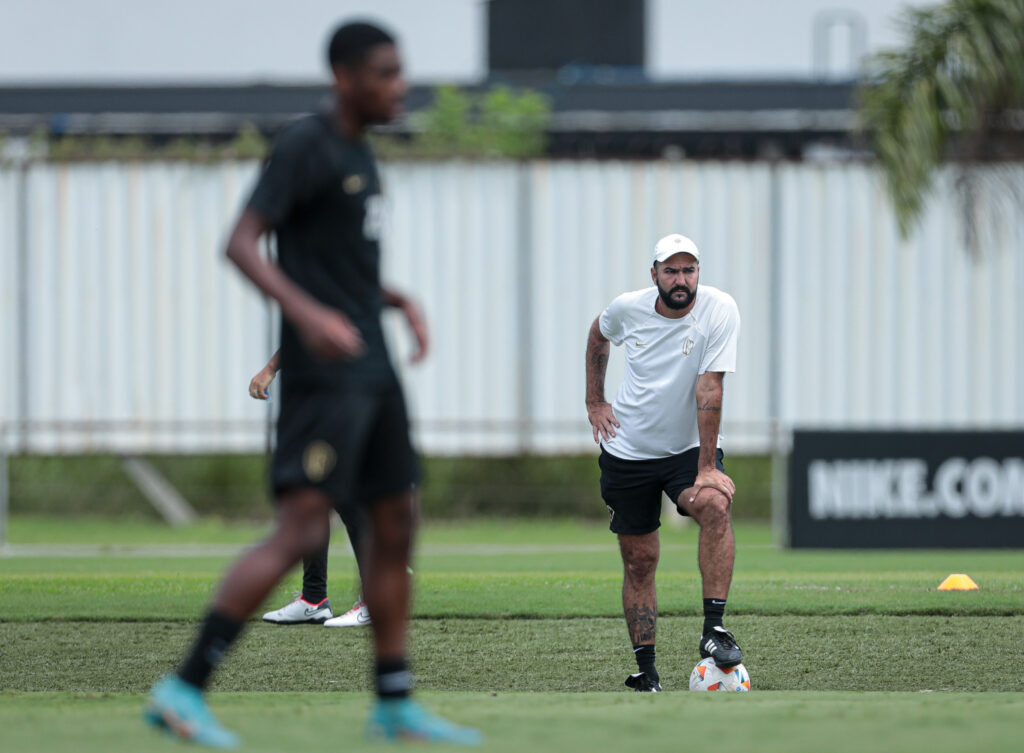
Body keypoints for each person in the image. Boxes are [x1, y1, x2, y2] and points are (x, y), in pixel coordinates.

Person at [143, 21, 481, 747]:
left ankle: (393, 702)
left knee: (395, 524)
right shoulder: (307, 144)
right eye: (386, 73)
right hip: (325, 374)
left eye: (401, 71)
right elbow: (240, 242)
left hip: (375, 365)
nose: (401, 85)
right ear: (344, 77)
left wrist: (394, 299)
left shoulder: (362, 153)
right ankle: (183, 686)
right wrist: (306, 315)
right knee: (302, 525)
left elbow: (337, 265)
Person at [585, 233, 742, 693]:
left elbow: (710, 387)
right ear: (653, 274)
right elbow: (598, 334)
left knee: (714, 505)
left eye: (688, 270)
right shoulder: (627, 308)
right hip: (628, 451)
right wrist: (595, 399)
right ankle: (647, 673)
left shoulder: (719, 309)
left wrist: (708, 466)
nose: (680, 279)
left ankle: (713, 630)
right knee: (640, 562)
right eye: (670, 270)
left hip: (688, 452)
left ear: (699, 273)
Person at [249, 351, 371, 628]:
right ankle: (314, 599)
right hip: (319, 398)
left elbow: (327, 322)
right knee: (312, 491)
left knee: (342, 494)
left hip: (339, 395)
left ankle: (373, 599)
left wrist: (270, 367)